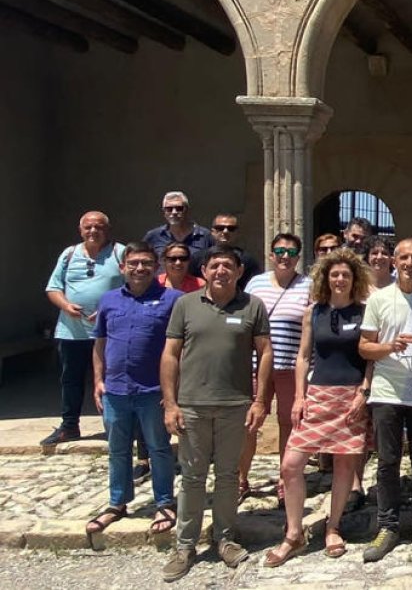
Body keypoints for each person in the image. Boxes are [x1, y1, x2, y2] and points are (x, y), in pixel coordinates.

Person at [159, 245, 273, 582]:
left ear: (239, 271)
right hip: (192, 404)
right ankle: (184, 546)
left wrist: (260, 400)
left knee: (227, 476)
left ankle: (225, 539)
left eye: (228, 265)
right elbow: (170, 356)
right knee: (192, 477)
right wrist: (170, 403)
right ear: (205, 270)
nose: (221, 270)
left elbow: (265, 353)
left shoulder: (252, 305)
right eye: (214, 265)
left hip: (234, 404)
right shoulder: (185, 304)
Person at [266, 249, 373, 566]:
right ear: (326, 278)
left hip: (351, 396)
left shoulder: (365, 312)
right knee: (291, 464)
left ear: (355, 280)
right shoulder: (314, 312)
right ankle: (294, 533)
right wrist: (300, 396)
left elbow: (369, 359)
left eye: (346, 275)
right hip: (318, 394)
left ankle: (333, 526)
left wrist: (363, 394)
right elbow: (302, 356)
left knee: (343, 467)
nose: (340, 279)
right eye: (335, 274)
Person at [359, 238, 412, 561]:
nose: (409, 262)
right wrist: (390, 347)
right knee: (387, 461)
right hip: (387, 391)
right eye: (404, 257)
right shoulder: (379, 299)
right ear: (394, 261)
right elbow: (365, 347)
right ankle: (388, 526)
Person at [87, 242, 181, 536]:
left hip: (153, 391)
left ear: (157, 267)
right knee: (117, 450)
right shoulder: (109, 300)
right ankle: (117, 503)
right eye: (133, 263)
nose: (139, 268)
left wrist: (174, 394)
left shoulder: (173, 300)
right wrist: (98, 380)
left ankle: (164, 502)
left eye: (146, 263)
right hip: (115, 391)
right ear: (122, 267)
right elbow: (100, 342)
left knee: (159, 449)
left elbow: (182, 347)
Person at [240, 234, 313, 502]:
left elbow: (311, 327)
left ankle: (286, 480)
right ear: (271, 255)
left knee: (288, 423)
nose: (285, 256)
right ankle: (240, 479)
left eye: (291, 252)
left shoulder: (308, 285)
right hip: (254, 365)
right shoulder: (256, 283)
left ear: (298, 256)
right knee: (249, 422)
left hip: (289, 365)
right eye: (279, 250)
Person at [43, 211, 125, 445]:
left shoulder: (120, 253)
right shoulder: (69, 255)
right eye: (88, 227)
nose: (93, 231)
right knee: (71, 379)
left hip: (109, 331)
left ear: (107, 229)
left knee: (111, 378)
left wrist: (109, 307)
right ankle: (69, 426)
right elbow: (53, 288)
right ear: (80, 230)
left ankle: (115, 426)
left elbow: (133, 284)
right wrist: (66, 305)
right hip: (72, 331)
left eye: (98, 227)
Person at [143, 191, 213, 275]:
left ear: (187, 210)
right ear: (164, 212)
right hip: (162, 287)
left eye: (179, 208)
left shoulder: (205, 236)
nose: (174, 212)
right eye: (169, 209)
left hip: (196, 287)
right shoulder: (153, 236)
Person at [211, 213, 262, 289]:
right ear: (213, 232)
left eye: (231, 229)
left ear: (237, 233)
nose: (225, 231)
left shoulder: (248, 260)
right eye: (220, 228)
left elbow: (254, 287)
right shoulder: (199, 258)